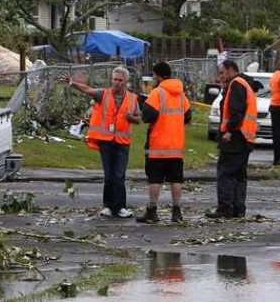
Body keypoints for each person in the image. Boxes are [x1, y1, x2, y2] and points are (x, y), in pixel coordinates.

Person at [62, 67, 140, 219]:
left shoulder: (132, 99)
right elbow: (87, 89)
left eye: (120, 80)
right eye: (115, 79)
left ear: (126, 82)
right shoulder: (103, 94)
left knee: (119, 175)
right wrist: (72, 83)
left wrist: (132, 118)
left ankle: (121, 207)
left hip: (122, 142)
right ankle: (109, 207)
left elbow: (138, 119)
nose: (116, 82)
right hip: (106, 141)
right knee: (109, 175)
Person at [137, 62, 192, 224]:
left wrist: (143, 105)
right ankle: (176, 212)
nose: (153, 78)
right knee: (176, 179)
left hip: (158, 145)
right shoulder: (181, 94)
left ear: (159, 75)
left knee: (155, 179)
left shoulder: (157, 93)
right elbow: (187, 116)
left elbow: (148, 115)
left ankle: (152, 211)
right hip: (176, 145)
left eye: (154, 75)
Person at [207, 60, 257, 219]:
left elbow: (236, 112)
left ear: (230, 70)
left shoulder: (236, 85)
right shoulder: (245, 83)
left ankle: (225, 208)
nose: (220, 77)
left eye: (222, 73)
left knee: (225, 173)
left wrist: (229, 131)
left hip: (235, 137)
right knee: (239, 175)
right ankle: (238, 209)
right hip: (245, 137)